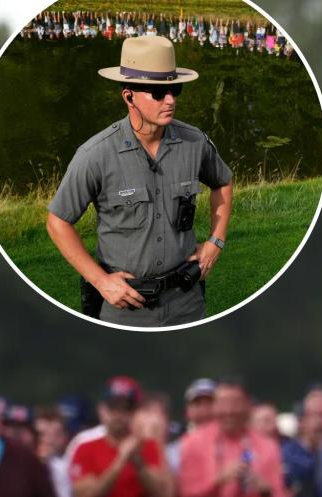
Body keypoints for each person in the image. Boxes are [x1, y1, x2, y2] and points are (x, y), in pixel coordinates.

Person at [46, 35, 233, 326]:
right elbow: (57, 221)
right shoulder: (96, 154)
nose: (170, 100)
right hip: (122, 309)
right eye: (158, 93)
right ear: (128, 96)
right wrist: (100, 280)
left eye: (174, 89)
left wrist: (215, 241)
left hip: (187, 301)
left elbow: (223, 181)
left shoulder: (194, 143)